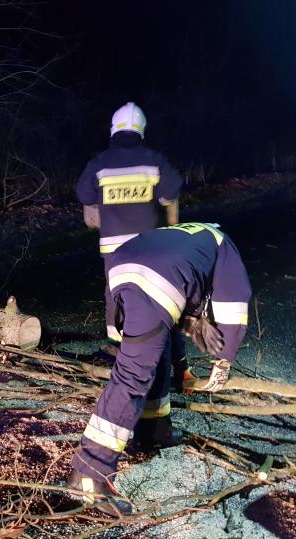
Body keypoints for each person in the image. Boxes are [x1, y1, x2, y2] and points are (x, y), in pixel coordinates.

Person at [66, 223, 252, 516]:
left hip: (120, 269)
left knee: (152, 353)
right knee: (132, 376)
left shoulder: (190, 240)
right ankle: (90, 474)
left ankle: (154, 430)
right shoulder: (223, 245)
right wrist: (224, 360)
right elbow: (233, 303)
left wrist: (179, 360)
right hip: (158, 280)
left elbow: (167, 314)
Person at [75, 102, 193, 406]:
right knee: (165, 303)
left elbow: (89, 213)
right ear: (142, 131)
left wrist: (110, 216)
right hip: (152, 249)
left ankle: (123, 358)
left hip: (115, 254)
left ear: (113, 130)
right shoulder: (155, 162)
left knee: (118, 303)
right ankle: (179, 368)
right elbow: (171, 198)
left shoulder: (98, 164)